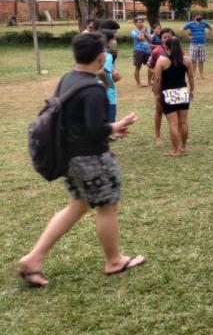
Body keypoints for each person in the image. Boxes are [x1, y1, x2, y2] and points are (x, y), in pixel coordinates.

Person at [17, 33, 143, 287]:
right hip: (91, 159)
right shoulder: (95, 89)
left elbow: (76, 121)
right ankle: (114, 260)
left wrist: (110, 130)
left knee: (78, 205)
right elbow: (96, 130)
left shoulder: (68, 78)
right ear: (101, 57)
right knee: (107, 206)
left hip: (71, 158)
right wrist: (116, 125)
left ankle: (34, 258)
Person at [152, 37, 195, 157]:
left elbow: (157, 80)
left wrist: (156, 94)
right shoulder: (186, 60)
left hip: (168, 94)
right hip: (182, 92)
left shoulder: (162, 61)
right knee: (183, 122)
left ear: (166, 47)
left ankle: (176, 150)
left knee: (173, 123)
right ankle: (183, 146)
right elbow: (191, 76)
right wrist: (191, 90)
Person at [147, 28, 175, 145]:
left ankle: (175, 133)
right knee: (159, 109)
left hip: (174, 84)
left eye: (169, 37)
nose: (166, 39)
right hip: (160, 84)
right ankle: (157, 136)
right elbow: (150, 65)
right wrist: (157, 71)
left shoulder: (177, 50)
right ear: (161, 38)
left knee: (175, 110)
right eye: (164, 37)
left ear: (173, 38)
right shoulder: (156, 51)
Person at [98, 30, 121, 127]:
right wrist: (109, 84)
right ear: (107, 42)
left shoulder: (95, 55)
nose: (115, 41)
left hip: (97, 91)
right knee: (110, 120)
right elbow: (102, 72)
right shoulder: (108, 55)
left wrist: (113, 71)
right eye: (114, 39)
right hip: (108, 93)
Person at [182, 14, 213, 80]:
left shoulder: (204, 23)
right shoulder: (191, 24)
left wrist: (207, 36)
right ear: (194, 18)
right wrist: (188, 36)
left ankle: (201, 75)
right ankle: (193, 75)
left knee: (201, 61)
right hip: (194, 44)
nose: (199, 17)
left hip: (202, 44)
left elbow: (211, 28)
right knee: (193, 60)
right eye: (197, 16)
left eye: (200, 16)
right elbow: (182, 29)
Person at [131, 16, 152, 87]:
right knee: (138, 67)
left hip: (148, 51)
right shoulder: (134, 31)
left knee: (150, 66)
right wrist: (142, 31)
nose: (141, 23)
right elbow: (142, 38)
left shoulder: (147, 30)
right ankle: (138, 83)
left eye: (142, 22)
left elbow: (150, 39)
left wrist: (145, 32)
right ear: (135, 23)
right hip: (138, 51)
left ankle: (149, 82)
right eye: (139, 22)